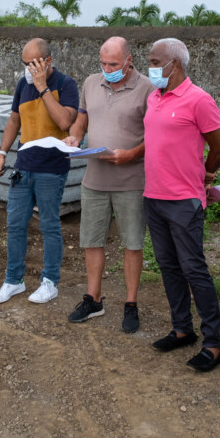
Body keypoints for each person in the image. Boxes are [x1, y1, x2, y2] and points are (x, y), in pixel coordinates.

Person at [143, 38, 220, 372]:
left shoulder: (199, 100)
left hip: (184, 201)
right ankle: (182, 329)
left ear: (173, 65)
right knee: (168, 266)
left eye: (154, 61)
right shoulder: (154, 97)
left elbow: (218, 148)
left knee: (194, 268)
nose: (150, 67)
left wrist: (205, 176)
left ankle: (214, 343)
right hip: (154, 197)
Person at [64, 36, 154, 332]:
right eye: (102, 63)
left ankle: (130, 303)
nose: (107, 69)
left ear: (129, 60)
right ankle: (93, 299)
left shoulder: (147, 89)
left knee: (132, 243)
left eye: (113, 64)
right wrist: (75, 137)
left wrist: (132, 154)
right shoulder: (91, 83)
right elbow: (82, 120)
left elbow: (155, 136)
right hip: (94, 179)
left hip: (131, 180)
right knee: (92, 240)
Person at [0, 38, 79, 305]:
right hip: (23, 167)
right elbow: (14, 120)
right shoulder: (21, 85)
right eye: (24, 64)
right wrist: (2, 153)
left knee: (49, 225)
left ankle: (50, 282)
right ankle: (13, 281)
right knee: (15, 225)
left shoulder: (66, 84)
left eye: (32, 64)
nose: (28, 69)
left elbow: (65, 120)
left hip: (52, 169)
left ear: (47, 61)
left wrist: (42, 88)